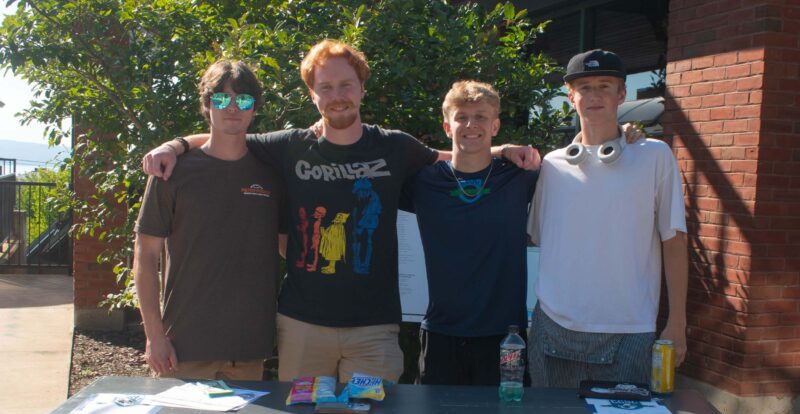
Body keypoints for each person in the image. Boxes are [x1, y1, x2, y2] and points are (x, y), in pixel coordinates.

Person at [140, 40, 539, 384]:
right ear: (313, 95)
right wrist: (174, 146)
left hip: (374, 329)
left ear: (362, 88)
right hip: (301, 326)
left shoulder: (395, 146)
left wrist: (504, 150)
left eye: (346, 84)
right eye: (325, 87)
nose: (337, 95)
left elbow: (457, 156)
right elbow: (226, 135)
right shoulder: (289, 145)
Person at [527, 49, 688, 388]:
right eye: (584, 86)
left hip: (630, 331)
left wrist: (677, 321)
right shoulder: (551, 166)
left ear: (622, 94)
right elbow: (536, 239)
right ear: (571, 97)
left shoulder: (654, 156)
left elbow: (674, 241)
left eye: (604, 85)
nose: (594, 94)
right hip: (553, 329)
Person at [133, 60, 284, 380]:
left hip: (248, 350)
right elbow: (146, 257)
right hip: (183, 349)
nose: (232, 108)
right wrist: (154, 337)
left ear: (254, 109)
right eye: (221, 99)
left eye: (243, 100)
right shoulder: (171, 173)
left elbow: (287, 246)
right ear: (206, 105)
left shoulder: (271, 172)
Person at [400, 81, 537, 386]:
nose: (470, 125)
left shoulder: (520, 177)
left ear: (496, 125)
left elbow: (578, 163)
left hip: (506, 336)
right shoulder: (424, 182)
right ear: (447, 127)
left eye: (481, 117)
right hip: (440, 332)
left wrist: (626, 136)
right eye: (461, 117)